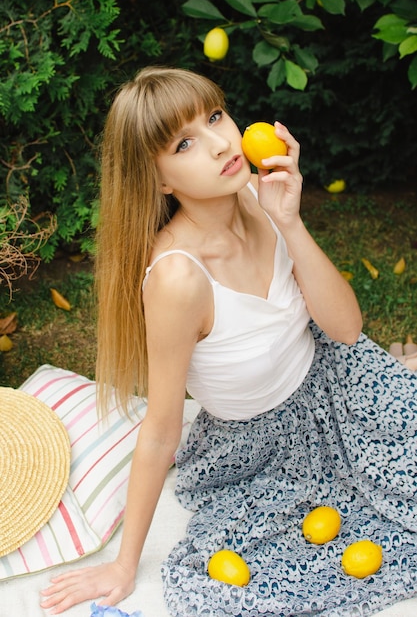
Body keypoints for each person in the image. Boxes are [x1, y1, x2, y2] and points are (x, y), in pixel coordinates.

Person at [40, 66, 417, 616]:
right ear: (160, 180)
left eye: (215, 116)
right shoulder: (178, 280)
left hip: (336, 382)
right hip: (262, 445)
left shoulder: (255, 194)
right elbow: (163, 427)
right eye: (186, 142)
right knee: (263, 580)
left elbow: (347, 331)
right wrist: (125, 565)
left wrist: (288, 219)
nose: (220, 144)